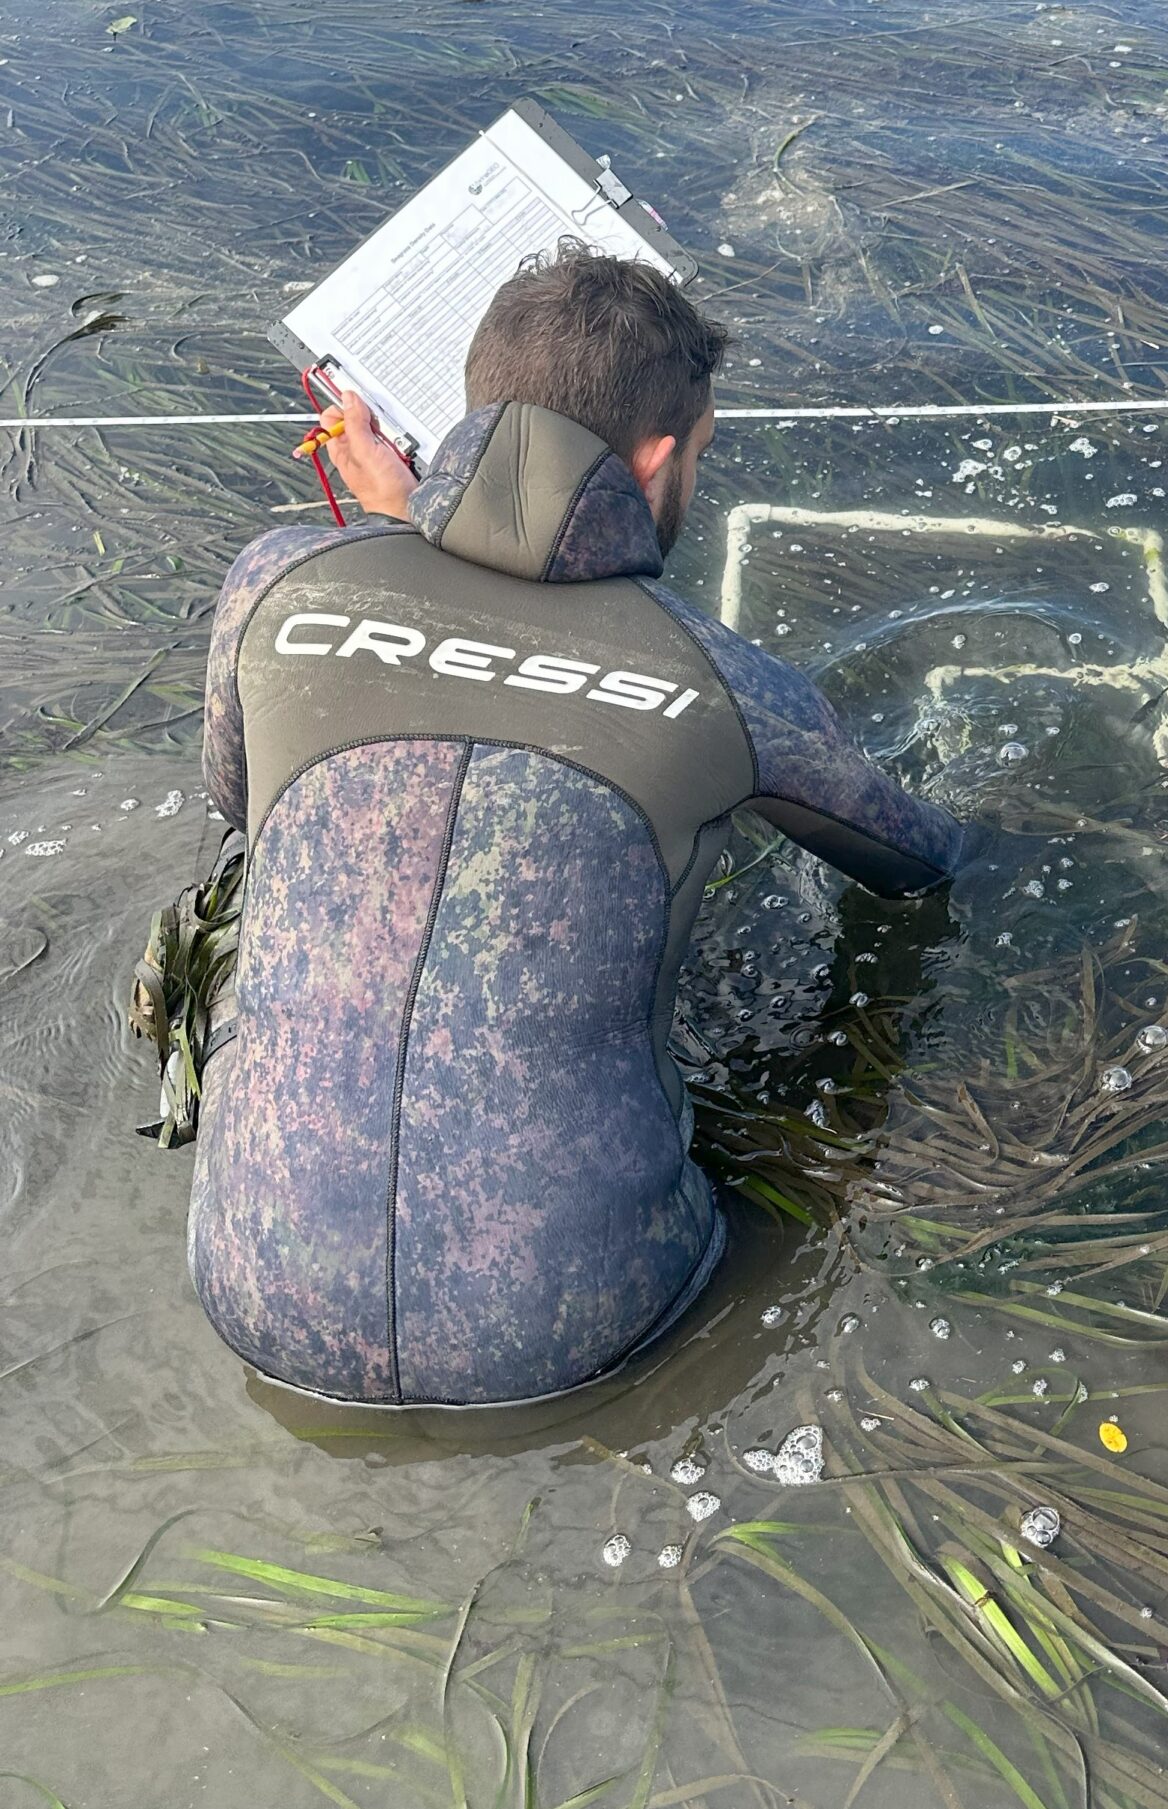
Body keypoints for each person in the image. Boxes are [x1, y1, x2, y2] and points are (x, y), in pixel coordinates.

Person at [189, 243, 966, 1408]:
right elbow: (915, 862)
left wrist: (408, 528)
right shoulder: (728, 687)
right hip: (582, 1321)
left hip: (249, 1287)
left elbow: (239, 802)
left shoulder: (274, 585)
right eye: (698, 454)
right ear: (656, 460)